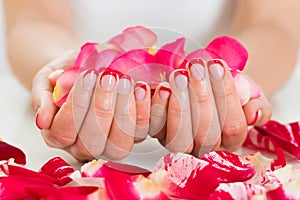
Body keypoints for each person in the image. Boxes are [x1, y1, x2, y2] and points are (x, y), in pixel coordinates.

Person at [3, 0, 299, 161]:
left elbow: (273, 24)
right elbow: (36, 18)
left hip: (243, 122)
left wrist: (231, 89)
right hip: (42, 129)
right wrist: (60, 74)